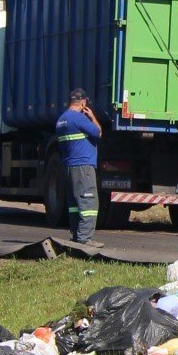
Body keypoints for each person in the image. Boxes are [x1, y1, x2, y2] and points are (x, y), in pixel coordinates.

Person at [54, 87, 102, 244]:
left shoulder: (61, 120)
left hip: (69, 165)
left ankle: (75, 236)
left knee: (74, 203)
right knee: (88, 202)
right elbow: (98, 132)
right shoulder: (79, 118)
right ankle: (84, 239)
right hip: (83, 166)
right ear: (83, 102)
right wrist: (92, 117)